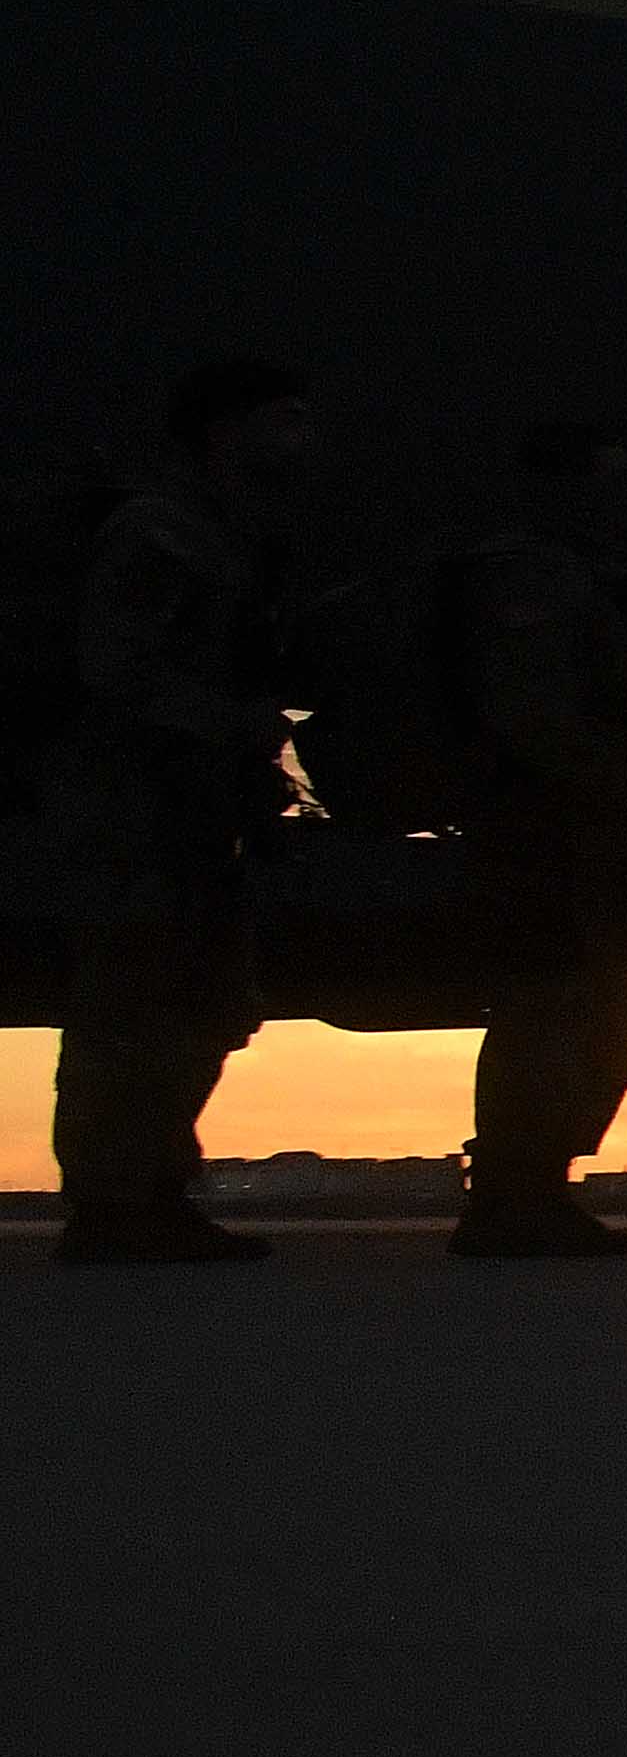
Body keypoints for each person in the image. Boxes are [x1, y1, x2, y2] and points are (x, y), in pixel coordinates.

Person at [45, 358, 319, 1269]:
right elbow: (115, 671)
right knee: (133, 1003)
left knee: (203, 1001)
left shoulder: (227, 538)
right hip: (134, 805)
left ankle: (150, 1195)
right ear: (223, 433)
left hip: (195, 807)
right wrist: (235, 725)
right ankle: (114, 1207)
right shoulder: (160, 536)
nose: (301, 441)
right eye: (280, 421)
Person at [448, 424, 627, 1261]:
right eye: (610, 485)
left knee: (589, 1006)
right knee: (553, 1007)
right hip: (550, 826)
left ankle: (532, 1191)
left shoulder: (586, 576)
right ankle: (512, 1197)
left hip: (585, 821)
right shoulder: (532, 574)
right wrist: (612, 784)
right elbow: (529, 711)